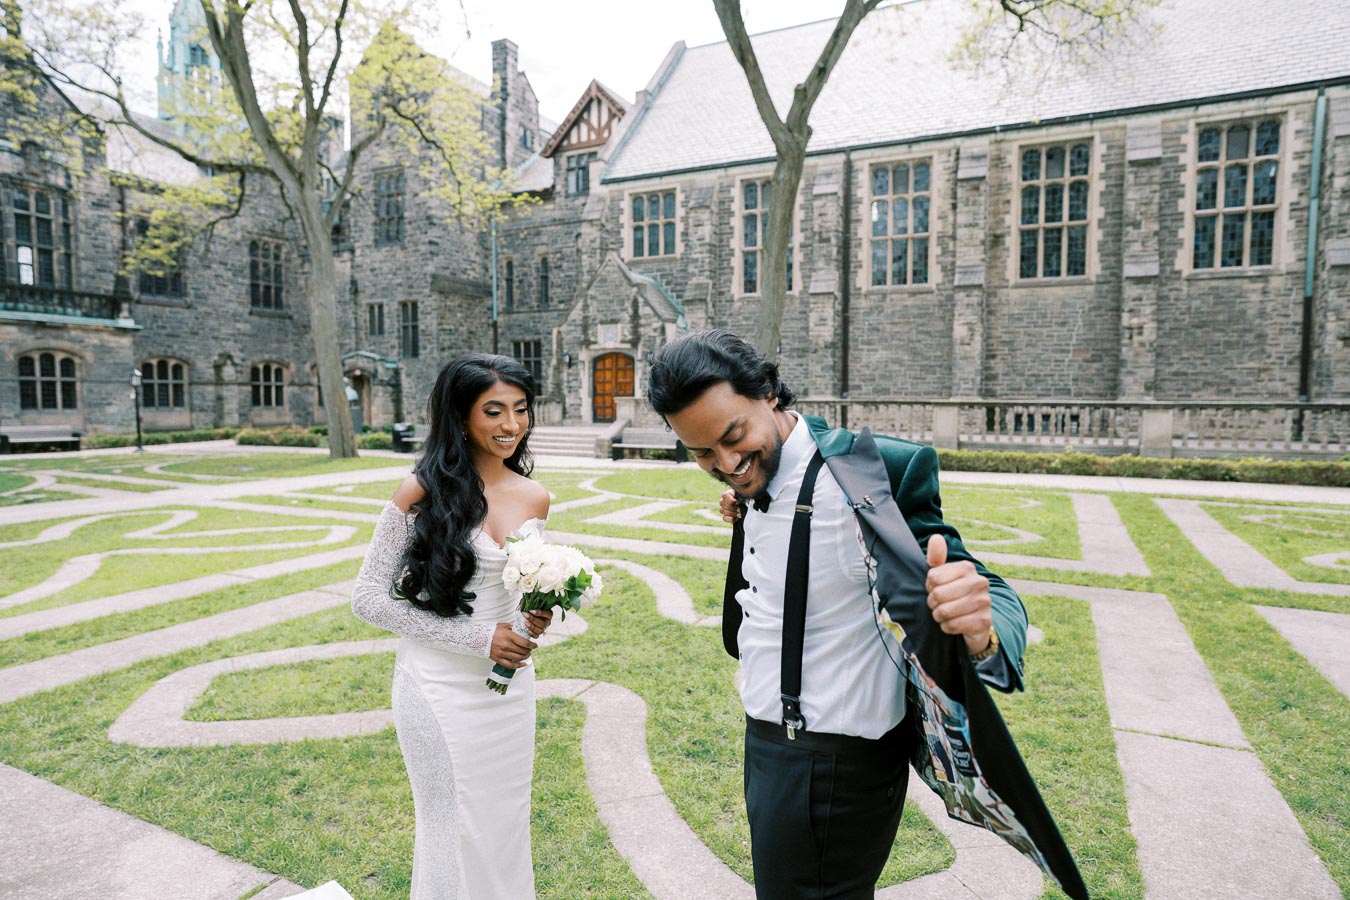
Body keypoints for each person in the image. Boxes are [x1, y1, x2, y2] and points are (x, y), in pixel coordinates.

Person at [646, 329, 1029, 899]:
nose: (726, 463)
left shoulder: (873, 471)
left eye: (733, 437)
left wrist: (982, 629)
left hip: (834, 762)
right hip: (768, 742)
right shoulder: (754, 475)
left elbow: (987, 587)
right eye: (702, 452)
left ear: (770, 393)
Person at [351, 353, 553, 899]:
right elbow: (367, 599)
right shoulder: (419, 491)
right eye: (494, 411)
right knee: (449, 825)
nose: (511, 425)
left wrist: (534, 615)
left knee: (503, 822)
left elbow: (518, 593)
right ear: (462, 416)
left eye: (521, 409)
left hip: (508, 694)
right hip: (437, 688)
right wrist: (476, 638)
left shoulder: (536, 497)